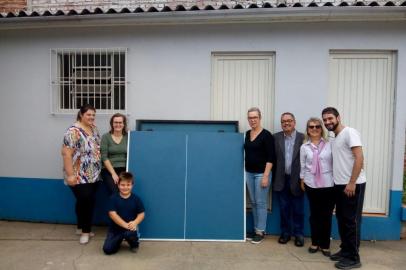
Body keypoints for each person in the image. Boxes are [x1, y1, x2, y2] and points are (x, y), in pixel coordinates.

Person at [322, 107, 366, 269]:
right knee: (342, 220)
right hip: (339, 185)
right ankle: (345, 250)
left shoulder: (349, 132)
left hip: (352, 185)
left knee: (351, 222)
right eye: (325, 120)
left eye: (330, 119)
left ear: (338, 117)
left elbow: (359, 157)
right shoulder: (335, 137)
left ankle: (354, 258)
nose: (327, 122)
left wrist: (352, 182)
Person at [61, 104, 101, 245]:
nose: (91, 117)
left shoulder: (93, 128)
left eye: (93, 115)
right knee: (87, 201)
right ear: (81, 115)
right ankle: (85, 231)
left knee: (83, 201)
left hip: (94, 173)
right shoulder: (73, 131)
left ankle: (80, 226)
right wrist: (71, 175)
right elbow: (66, 153)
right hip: (78, 173)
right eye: (89, 114)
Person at [300, 117, 335, 257]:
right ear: (307, 130)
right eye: (311, 127)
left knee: (326, 215)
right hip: (311, 184)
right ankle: (315, 242)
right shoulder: (304, 147)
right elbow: (302, 165)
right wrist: (302, 180)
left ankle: (325, 244)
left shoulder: (330, 144)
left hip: (328, 184)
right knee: (314, 215)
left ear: (322, 129)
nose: (314, 129)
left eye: (317, 126)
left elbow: (335, 163)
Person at [244, 107, 276, 244]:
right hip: (249, 173)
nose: (252, 120)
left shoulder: (267, 135)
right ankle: (256, 228)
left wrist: (265, 176)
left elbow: (271, 157)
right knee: (254, 202)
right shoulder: (246, 134)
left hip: (262, 174)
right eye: (250, 118)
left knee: (261, 203)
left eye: (255, 117)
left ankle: (260, 231)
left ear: (260, 118)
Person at [273, 112, 305, 247]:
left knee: (298, 209)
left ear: (294, 122)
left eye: (289, 120)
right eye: (283, 121)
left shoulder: (303, 137)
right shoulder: (275, 137)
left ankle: (298, 234)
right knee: (284, 208)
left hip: (298, 180)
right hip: (281, 179)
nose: (286, 123)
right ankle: (285, 233)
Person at [103, 172, 145, 255]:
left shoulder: (136, 199)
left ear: (132, 185)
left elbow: (141, 214)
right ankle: (118, 241)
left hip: (130, 228)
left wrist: (135, 222)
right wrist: (124, 225)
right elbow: (112, 214)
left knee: (130, 233)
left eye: (128, 185)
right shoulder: (113, 198)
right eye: (122, 185)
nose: (125, 187)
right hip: (115, 229)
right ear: (118, 185)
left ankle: (134, 244)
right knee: (107, 249)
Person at [101, 113, 129, 194]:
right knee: (115, 192)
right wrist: (113, 174)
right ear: (112, 124)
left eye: (120, 122)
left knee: (124, 192)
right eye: (115, 122)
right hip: (109, 170)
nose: (118, 125)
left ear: (124, 124)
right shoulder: (106, 137)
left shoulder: (128, 137)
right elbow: (104, 157)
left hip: (124, 169)